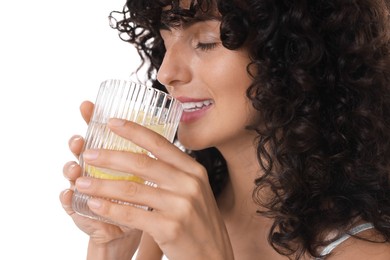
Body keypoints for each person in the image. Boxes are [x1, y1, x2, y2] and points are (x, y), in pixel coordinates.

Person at [60, 0, 390, 259]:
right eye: (164, 41)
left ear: (293, 54)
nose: (165, 73)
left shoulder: (369, 251)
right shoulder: (169, 216)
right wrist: (108, 248)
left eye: (205, 42)